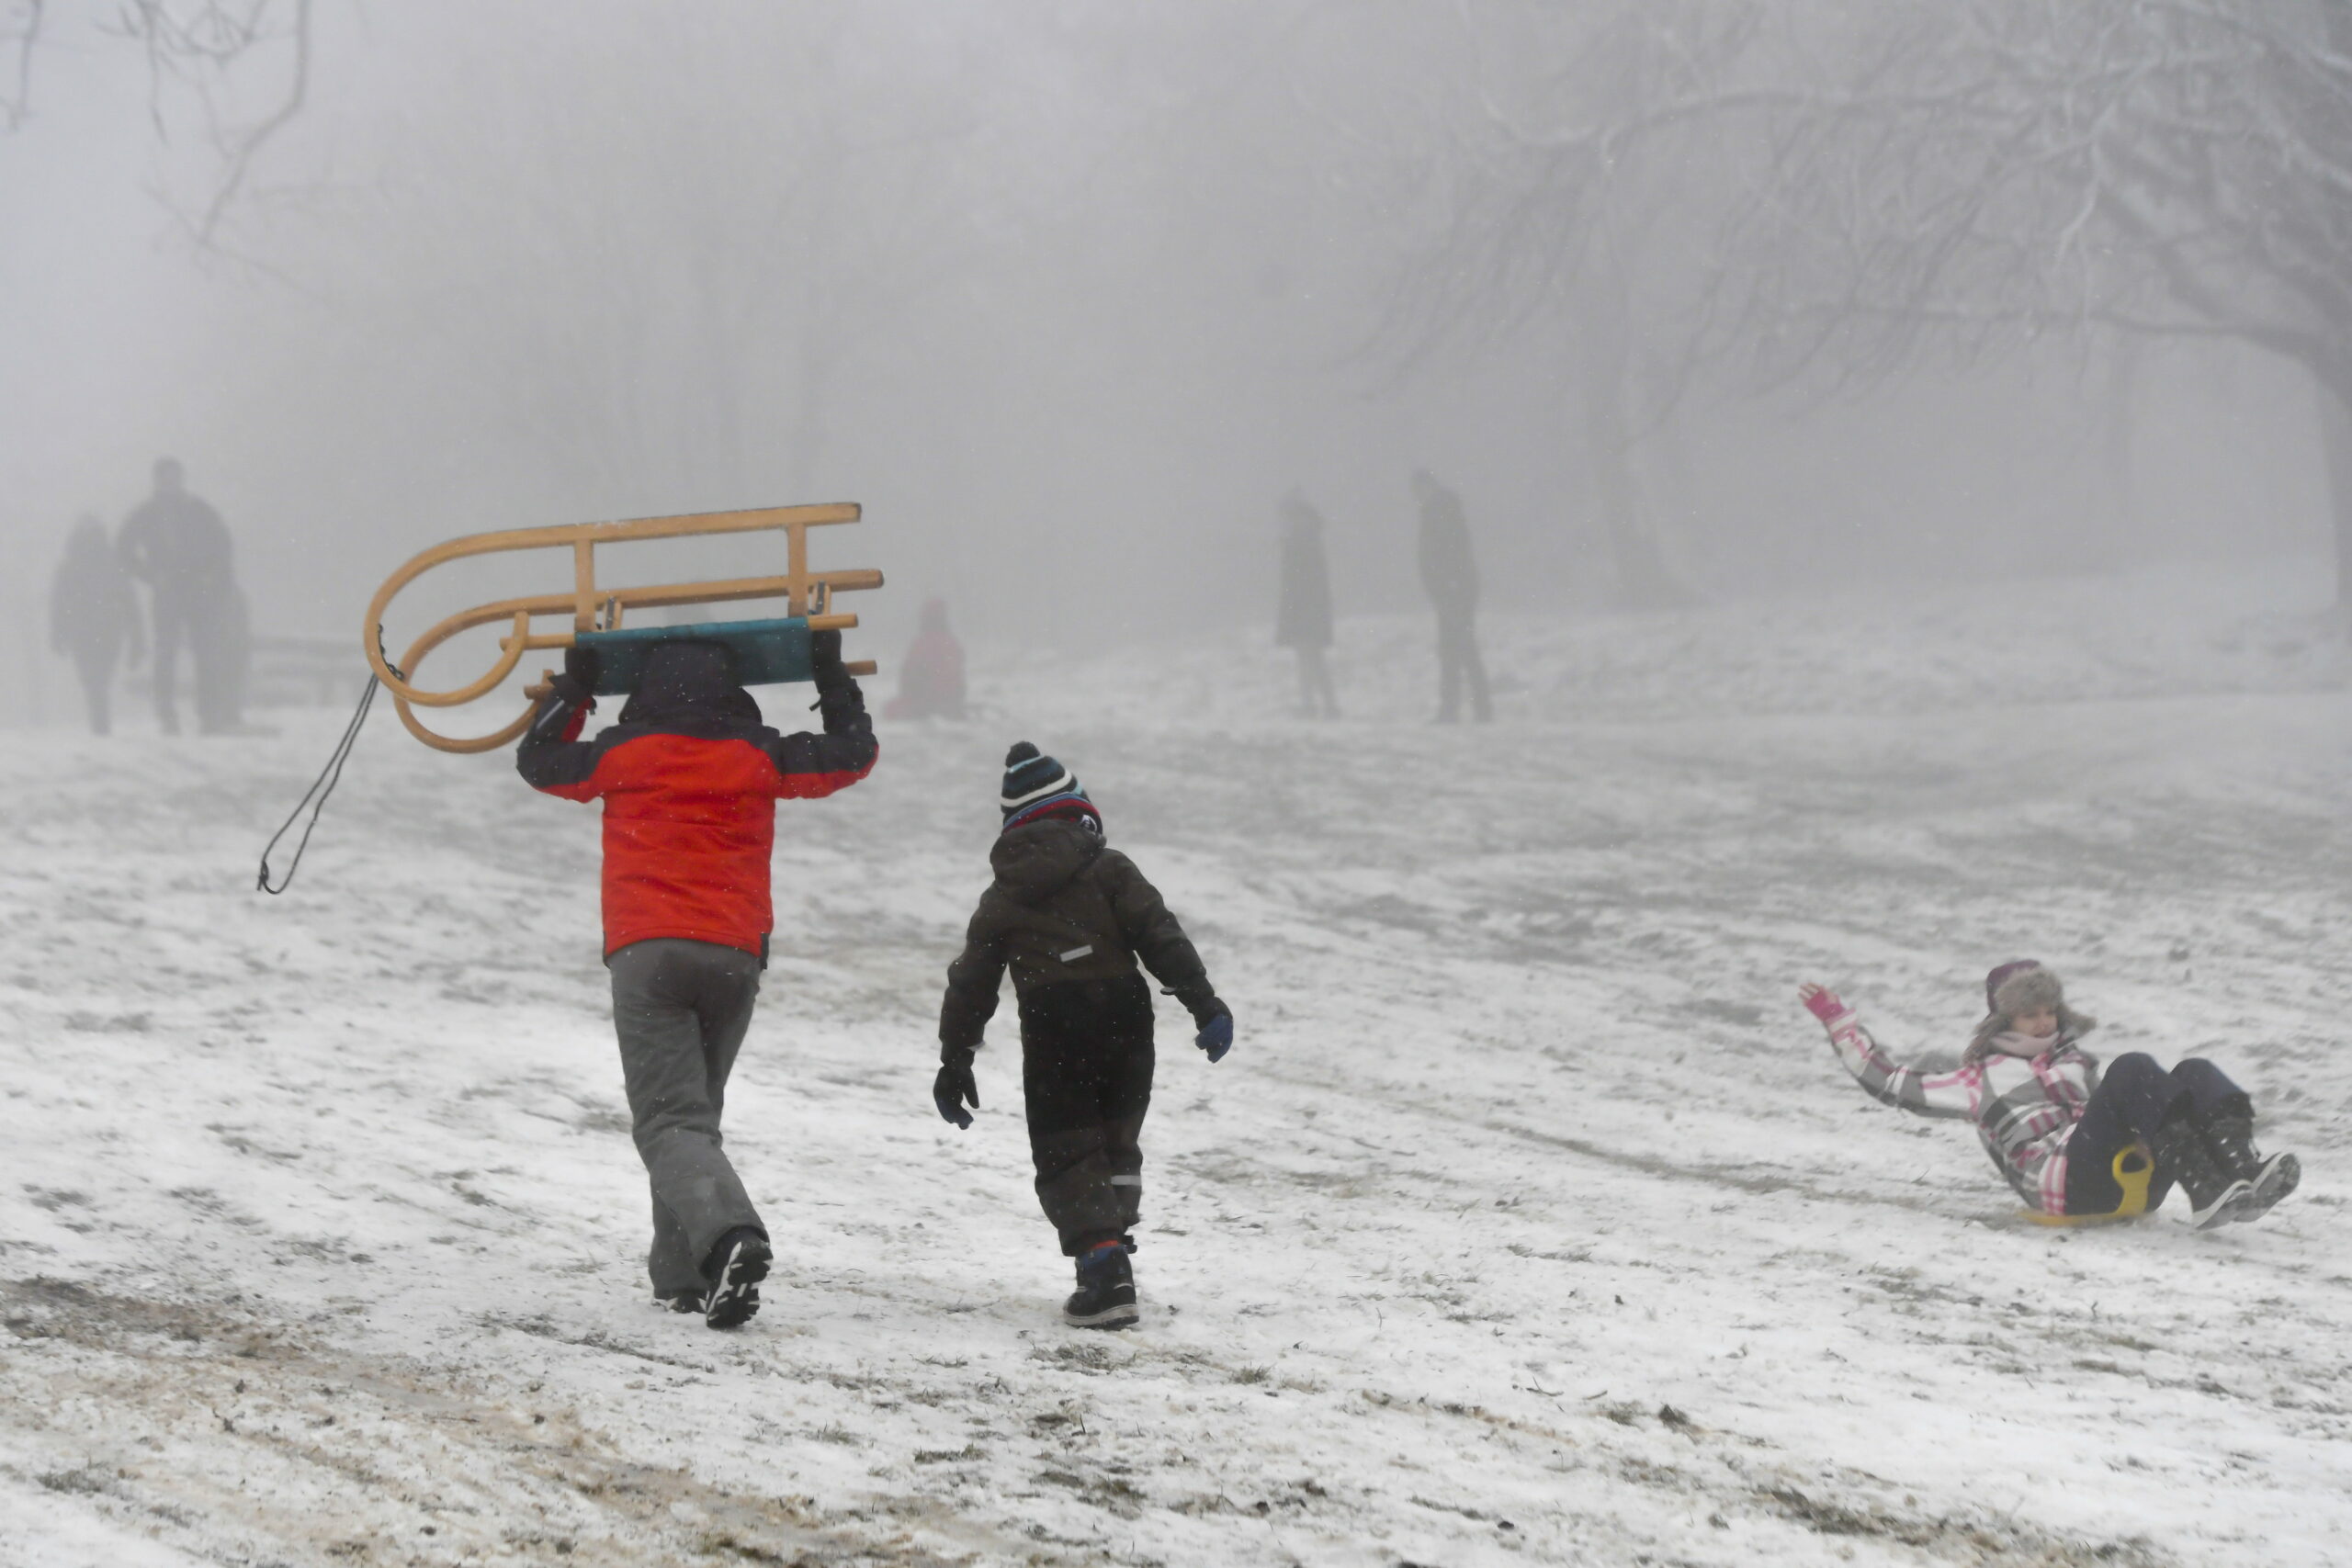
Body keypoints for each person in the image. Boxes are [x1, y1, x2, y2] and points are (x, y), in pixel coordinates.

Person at [518, 632, 876, 1328]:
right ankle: (685, 1275)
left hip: (647, 951)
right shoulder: (758, 754)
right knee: (692, 1120)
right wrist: (833, 677)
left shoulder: (622, 755)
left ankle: (732, 1234)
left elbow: (536, 760)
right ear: (731, 690)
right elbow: (853, 752)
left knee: (670, 1120)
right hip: (733, 956)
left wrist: (574, 691)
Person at [933, 741, 1232, 1329]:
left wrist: (956, 1058)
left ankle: (1102, 1265)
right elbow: (1160, 934)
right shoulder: (1110, 868)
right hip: (1123, 1011)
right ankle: (1115, 1235)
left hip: (1054, 1022)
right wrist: (1204, 1002)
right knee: (1118, 1129)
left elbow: (971, 985)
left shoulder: (1003, 897)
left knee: (1067, 1140)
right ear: (1080, 812)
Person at [1800, 961, 2299, 1228]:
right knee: (2133, 1068)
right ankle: (2206, 1190)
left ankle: (2240, 1174)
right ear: (2005, 1019)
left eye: (2049, 1011)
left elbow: (2124, 1110)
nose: (2044, 1021)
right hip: (2066, 1189)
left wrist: (2146, 1131)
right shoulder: (1977, 1077)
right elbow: (1885, 1079)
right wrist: (1837, 1020)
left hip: (2131, 1181)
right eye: (2030, 1013)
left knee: (2193, 1071)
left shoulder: (2075, 1062)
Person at [116, 457, 243, 735]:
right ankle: (166, 714)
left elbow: (223, 545)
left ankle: (208, 713)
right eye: (165, 477)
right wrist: (150, 576)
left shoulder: (198, 510)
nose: (171, 482)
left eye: (175, 476)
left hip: (199, 591)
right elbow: (124, 550)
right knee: (166, 653)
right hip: (167, 592)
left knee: (205, 651)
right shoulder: (146, 514)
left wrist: (213, 574)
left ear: (181, 478)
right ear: (157, 481)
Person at [49, 515, 146, 736]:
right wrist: (57, 633)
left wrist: (137, 640)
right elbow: (59, 604)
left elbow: (129, 602)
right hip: (88, 633)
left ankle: (100, 726)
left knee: (96, 681)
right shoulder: (70, 568)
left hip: (104, 632)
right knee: (94, 681)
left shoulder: (111, 565)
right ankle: (101, 726)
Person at [1412, 469, 1489, 723]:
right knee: (1455, 648)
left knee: (1459, 648)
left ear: (1428, 486)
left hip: (1454, 590)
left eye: (1419, 489)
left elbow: (1447, 552)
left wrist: (1446, 585)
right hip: (1452, 590)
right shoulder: (1441, 509)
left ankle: (1466, 708)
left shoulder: (1440, 511)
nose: (1418, 496)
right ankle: (1465, 708)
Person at [1275, 491, 1339, 719]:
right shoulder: (1307, 538)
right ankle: (1318, 704)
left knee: (1309, 657)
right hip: (1308, 607)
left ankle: (1318, 705)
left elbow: (1300, 581)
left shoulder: (1300, 540)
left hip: (1305, 608)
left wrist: (1296, 609)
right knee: (1310, 657)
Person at [884, 597, 967, 720]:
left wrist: (918, 696)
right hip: (944, 700)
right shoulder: (949, 642)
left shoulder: (923, 643)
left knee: (890, 710)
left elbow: (911, 674)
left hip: (925, 702)